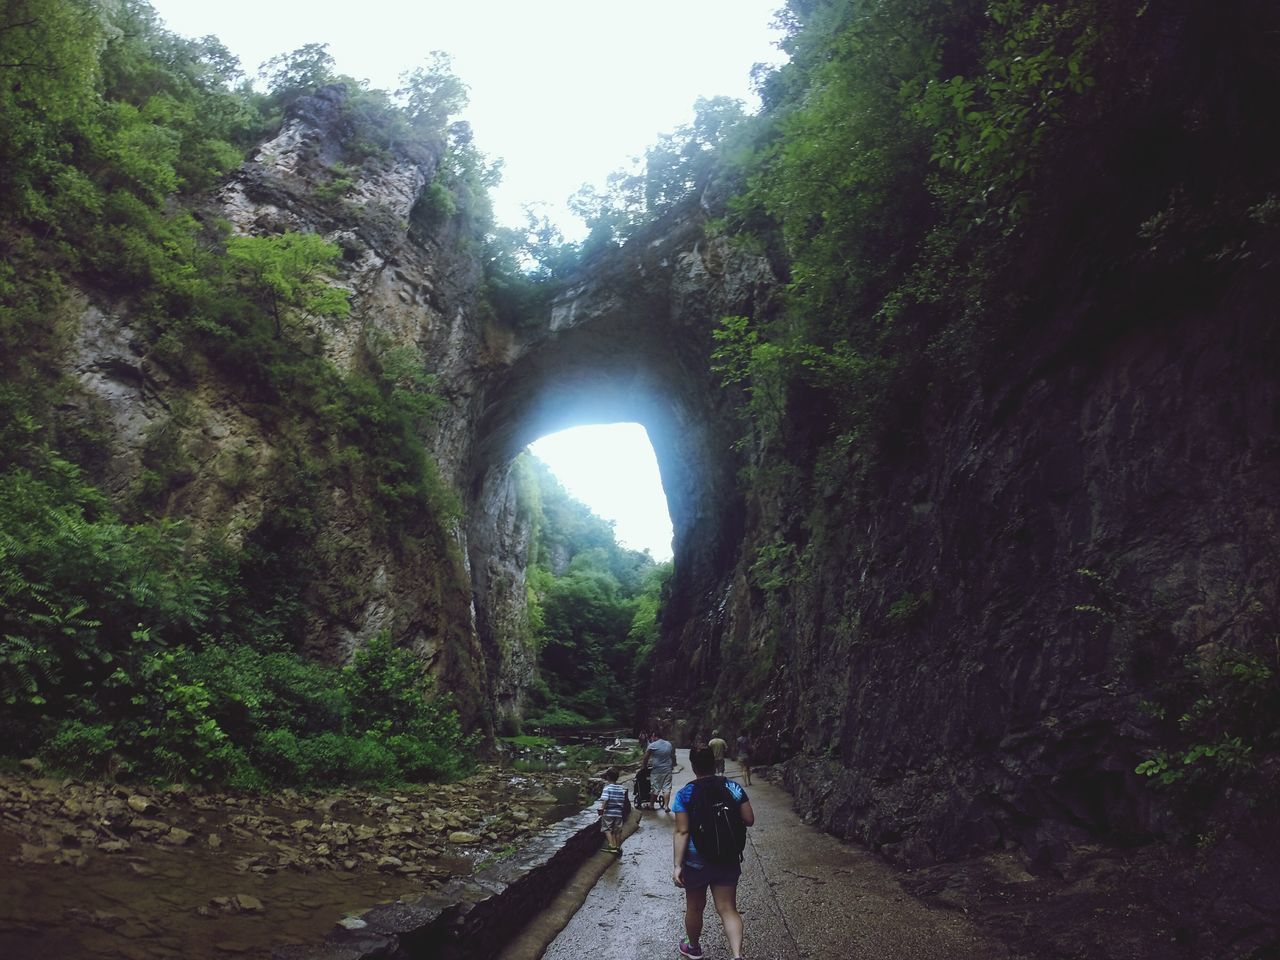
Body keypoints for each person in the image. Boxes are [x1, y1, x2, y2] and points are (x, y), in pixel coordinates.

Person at [672, 745, 754, 960]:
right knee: (728, 908)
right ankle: (737, 956)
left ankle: (693, 948)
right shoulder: (732, 787)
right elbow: (749, 819)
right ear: (714, 763)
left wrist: (678, 865)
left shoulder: (685, 793)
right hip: (727, 856)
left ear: (693, 765)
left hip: (695, 861)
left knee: (695, 907)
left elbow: (682, 831)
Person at [641, 727, 676, 811]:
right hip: (668, 769)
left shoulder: (652, 745)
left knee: (655, 788)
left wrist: (644, 766)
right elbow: (670, 755)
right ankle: (666, 806)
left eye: (652, 737)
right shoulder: (668, 744)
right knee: (667, 788)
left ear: (655, 736)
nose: (651, 738)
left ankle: (651, 805)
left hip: (657, 770)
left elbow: (646, 758)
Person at [596, 767, 629, 854]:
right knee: (617, 830)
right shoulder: (620, 789)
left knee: (607, 828)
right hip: (618, 812)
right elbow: (622, 800)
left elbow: (606, 799)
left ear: (607, 777)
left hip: (609, 812)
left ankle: (612, 846)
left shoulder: (607, 788)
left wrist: (602, 809)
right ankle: (618, 846)